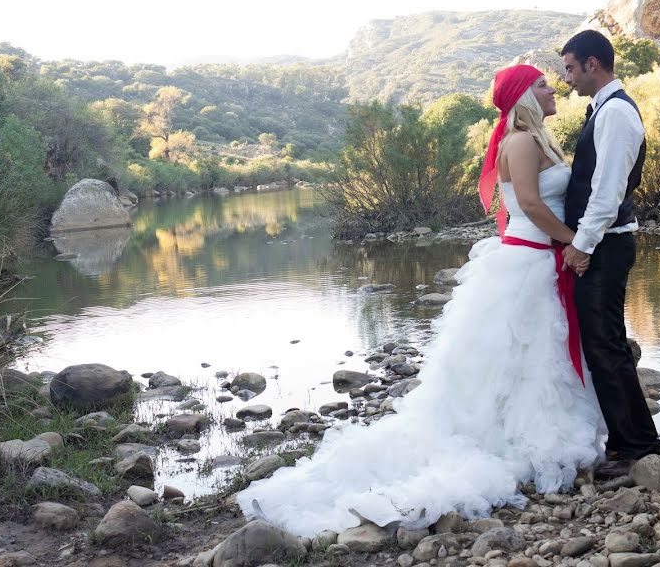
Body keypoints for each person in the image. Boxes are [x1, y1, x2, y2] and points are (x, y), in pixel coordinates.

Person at [235, 65, 606, 538]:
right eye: (542, 85)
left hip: (534, 258)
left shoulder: (537, 139)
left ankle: (526, 429)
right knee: (523, 353)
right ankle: (512, 439)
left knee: (530, 357)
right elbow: (530, 206)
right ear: (523, 97)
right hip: (530, 260)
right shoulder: (522, 142)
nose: (553, 88)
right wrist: (576, 243)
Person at [558, 30, 660, 476]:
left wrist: (581, 246)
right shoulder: (603, 109)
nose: (567, 78)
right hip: (605, 243)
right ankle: (630, 441)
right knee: (605, 345)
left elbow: (608, 191)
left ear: (593, 64)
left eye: (570, 68)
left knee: (607, 347)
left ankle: (638, 447)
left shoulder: (616, 113)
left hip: (606, 244)